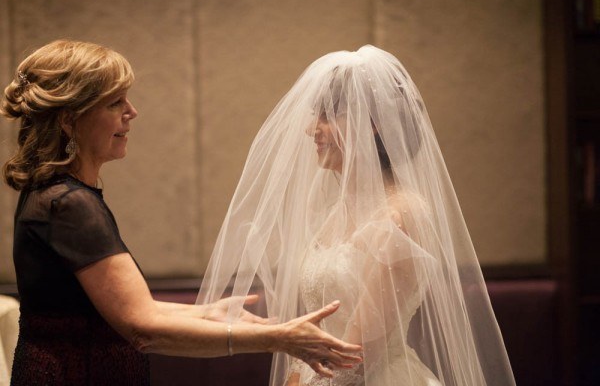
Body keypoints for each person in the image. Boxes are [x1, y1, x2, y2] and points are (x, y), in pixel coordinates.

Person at [1, 39, 363, 386]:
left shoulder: (61, 195)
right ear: (69, 119)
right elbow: (142, 328)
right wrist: (278, 338)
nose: (132, 112)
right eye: (115, 103)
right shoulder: (67, 204)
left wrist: (205, 313)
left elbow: (107, 310)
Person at [197, 45, 516, 385]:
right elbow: (319, 333)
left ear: (375, 125)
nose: (310, 129)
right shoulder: (336, 211)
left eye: (326, 116)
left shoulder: (401, 214)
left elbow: (355, 358)